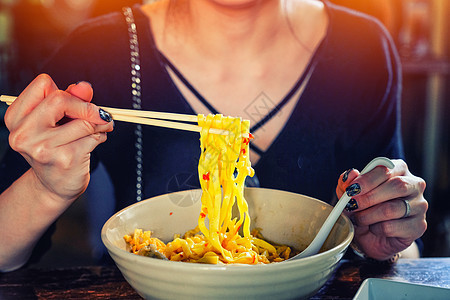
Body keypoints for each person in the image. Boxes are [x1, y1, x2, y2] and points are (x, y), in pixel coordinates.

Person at [0, 0, 428, 272]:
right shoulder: (102, 48)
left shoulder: (363, 47)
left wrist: (383, 241)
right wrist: (44, 189)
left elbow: (401, 250)